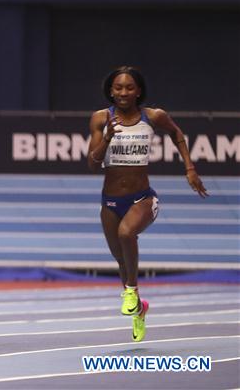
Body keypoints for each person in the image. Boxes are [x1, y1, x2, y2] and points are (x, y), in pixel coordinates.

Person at [87, 66, 206, 342]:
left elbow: (177, 134)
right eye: (118, 88)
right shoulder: (99, 119)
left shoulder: (153, 116)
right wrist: (106, 139)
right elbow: (92, 164)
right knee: (120, 259)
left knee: (126, 233)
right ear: (110, 91)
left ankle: (131, 289)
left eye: (129, 87)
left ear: (138, 90)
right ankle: (139, 308)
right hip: (110, 200)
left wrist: (189, 168)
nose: (123, 92)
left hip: (142, 198)